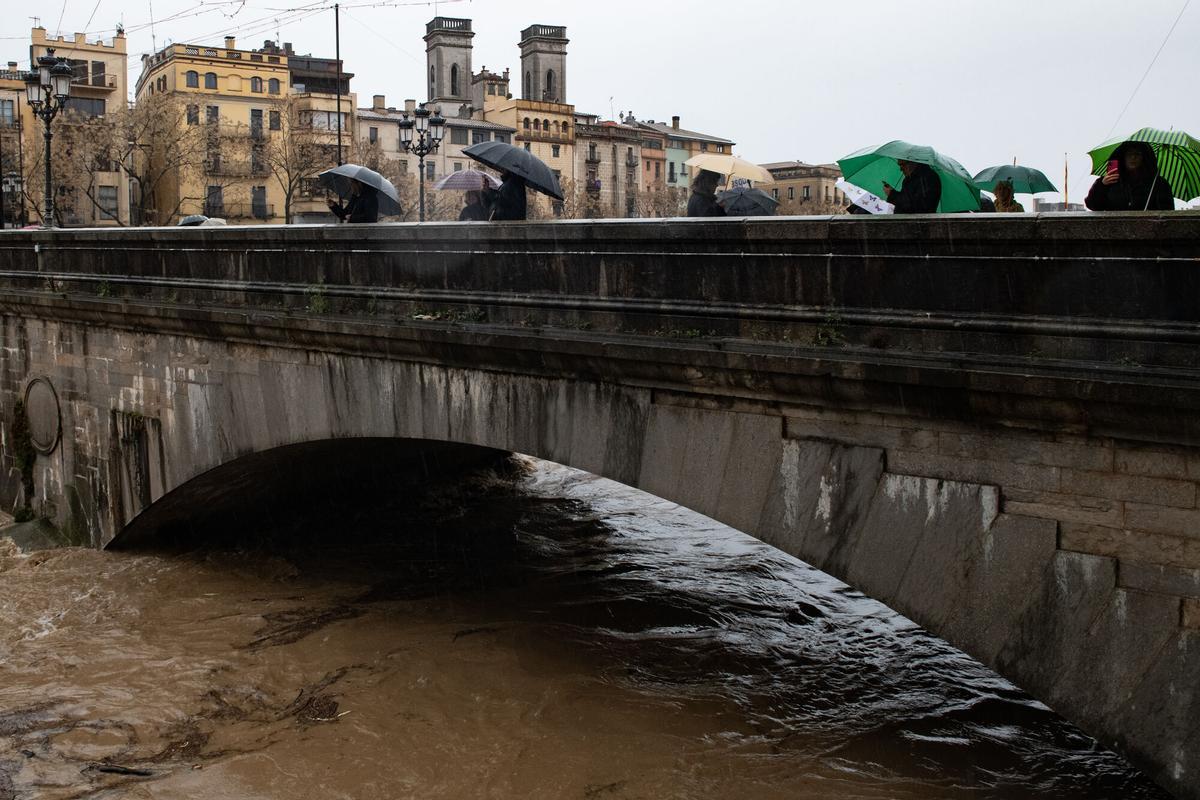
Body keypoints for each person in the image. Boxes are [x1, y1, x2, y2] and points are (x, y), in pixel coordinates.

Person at [1085, 141, 1174, 211]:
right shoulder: (1109, 181)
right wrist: (1102, 185)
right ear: (1122, 157)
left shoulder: (1159, 184)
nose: (1133, 158)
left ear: (1145, 158)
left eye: (1137, 154)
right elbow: (1092, 205)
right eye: (1129, 154)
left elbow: (1167, 213)